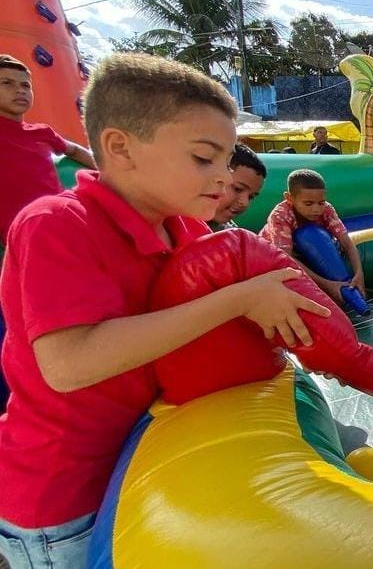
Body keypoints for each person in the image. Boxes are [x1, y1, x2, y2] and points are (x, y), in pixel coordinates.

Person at [0, 53, 330, 569]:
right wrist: (238, 300)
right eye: (204, 158)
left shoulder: (186, 229)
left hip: (143, 465)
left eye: (226, 162)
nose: (222, 179)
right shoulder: (57, 224)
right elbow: (69, 365)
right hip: (66, 498)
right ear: (120, 148)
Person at [0, 54, 97, 251]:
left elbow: (75, 151)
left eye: (26, 85)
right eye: (7, 83)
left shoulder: (42, 132)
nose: (19, 90)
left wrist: (110, 171)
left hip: (63, 221)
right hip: (20, 236)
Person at [259, 169, 365, 306]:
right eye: (308, 204)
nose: (316, 209)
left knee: (319, 238)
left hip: (307, 254)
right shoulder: (280, 216)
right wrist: (327, 285)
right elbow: (286, 259)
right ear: (289, 198)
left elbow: (347, 243)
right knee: (307, 236)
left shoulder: (326, 209)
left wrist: (359, 274)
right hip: (277, 260)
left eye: (321, 202)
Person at [208, 143, 267, 231]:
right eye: (237, 189)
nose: (245, 202)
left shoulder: (229, 233)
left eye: (251, 197)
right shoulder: (181, 228)